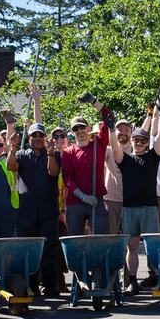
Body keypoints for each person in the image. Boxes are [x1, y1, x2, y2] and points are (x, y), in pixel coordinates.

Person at [110, 115, 160, 295]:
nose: (139, 142)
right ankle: (132, 282)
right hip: (129, 208)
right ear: (132, 141)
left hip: (149, 207)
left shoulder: (152, 156)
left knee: (154, 246)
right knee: (132, 247)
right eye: (136, 139)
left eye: (143, 140)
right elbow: (115, 148)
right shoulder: (125, 160)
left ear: (146, 142)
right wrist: (111, 129)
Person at [7, 122, 62, 297]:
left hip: (48, 211)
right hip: (26, 212)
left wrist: (51, 153)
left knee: (49, 250)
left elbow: (53, 173)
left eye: (40, 135)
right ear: (29, 138)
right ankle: (31, 286)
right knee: (28, 251)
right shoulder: (22, 155)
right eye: (34, 136)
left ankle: (50, 287)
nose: (37, 138)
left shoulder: (54, 154)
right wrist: (12, 148)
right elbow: (10, 167)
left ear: (45, 138)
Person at [60, 92, 114, 236]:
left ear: (88, 128)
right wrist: (83, 196)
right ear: (72, 132)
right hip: (75, 202)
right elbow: (67, 177)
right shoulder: (68, 152)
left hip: (97, 200)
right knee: (75, 240)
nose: (79, 131)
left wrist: (94, 102)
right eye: (75, 129)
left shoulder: (99, 144)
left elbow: (109, 117)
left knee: (102, 238)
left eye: (82, 127)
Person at [104, 118, 132, 234]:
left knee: (129, 237)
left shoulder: (136, 151)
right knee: (111, 235)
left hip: (130, 202)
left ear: (131, 132)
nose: (123, 132)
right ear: (114, 132)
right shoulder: (108, 150)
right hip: (111, 200)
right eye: (120, 129)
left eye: (126, 130)